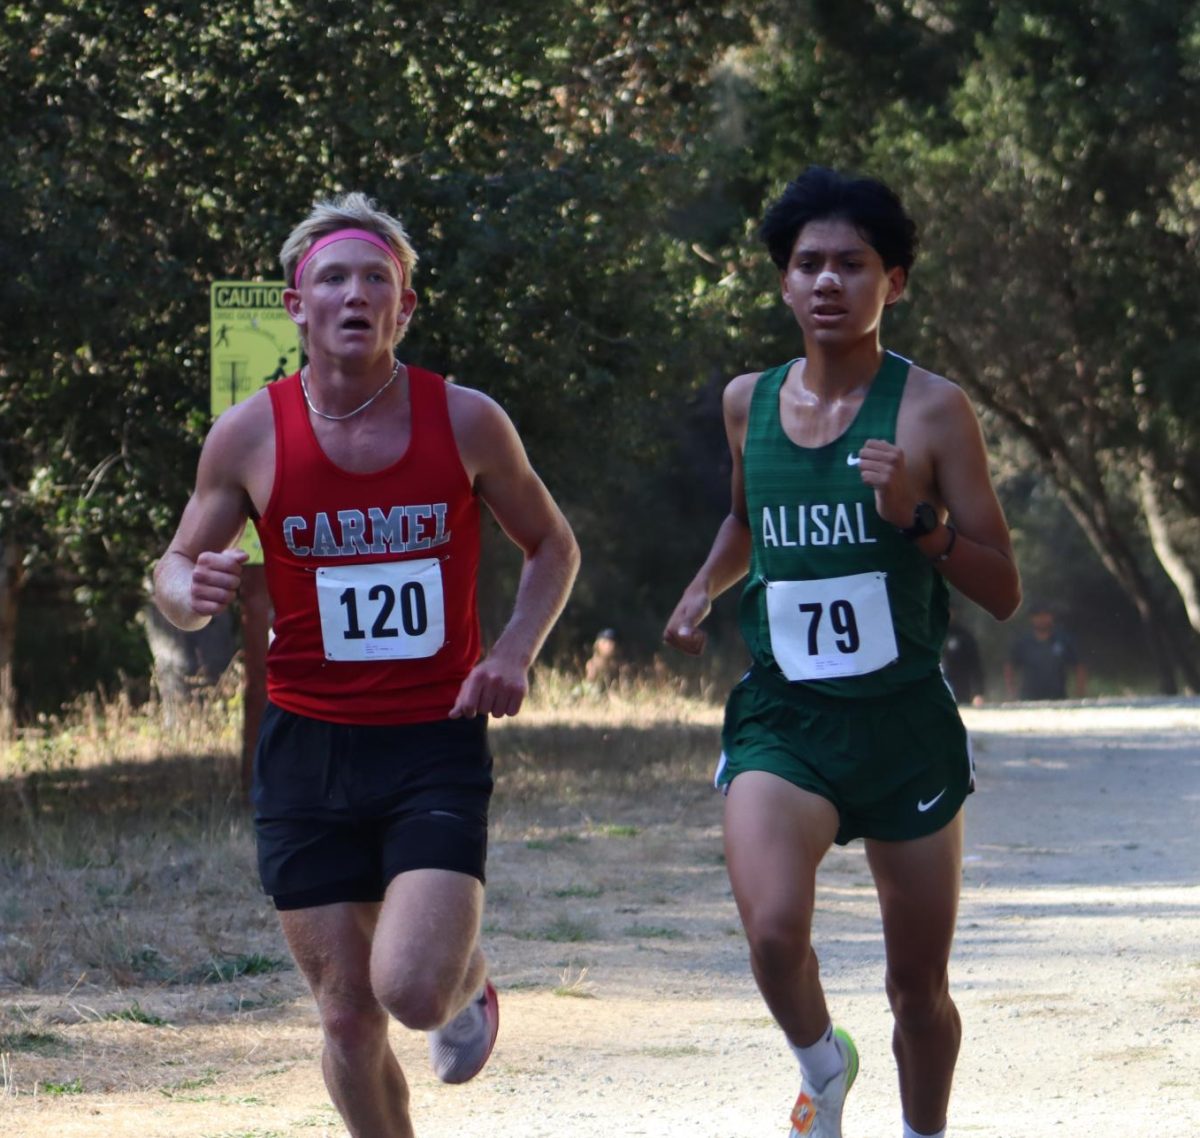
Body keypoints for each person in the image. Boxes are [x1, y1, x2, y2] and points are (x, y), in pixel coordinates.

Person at [153, 192, 580, 1138]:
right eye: (332, 280)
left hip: (432, 740)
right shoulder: (249, 434)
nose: (354, 295)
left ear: (405, 307)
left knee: (413, 993)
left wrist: (512, 651)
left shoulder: (466, 421)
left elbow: (553, 544)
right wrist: (196, 588)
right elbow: (172, 570)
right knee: (348, 1014)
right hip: (305, 747)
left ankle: (467, 983)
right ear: (295, 306)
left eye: (376, 280)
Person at [663, 166, 1020, 1138]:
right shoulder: (748, 402)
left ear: (892, 282)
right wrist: (705, 584)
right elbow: (747, 519)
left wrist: (917, 517)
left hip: (903, 720)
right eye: (808, 264)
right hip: (788, 717)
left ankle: (921, 1130)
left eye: (852, 265)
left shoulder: (933, 412)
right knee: (775, 935)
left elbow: (1000, 585)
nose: (828, 282)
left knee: (918, 988)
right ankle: (823, 1062)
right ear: (782, 283)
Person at [1004, 601, 1086, 701]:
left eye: (1045, 615)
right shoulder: (1022, 642)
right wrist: (1011, 692)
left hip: (1058, 698)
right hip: (1028, 699)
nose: (1042, 619)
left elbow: (1078, 666)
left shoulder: (1064, 640)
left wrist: (1080, 693)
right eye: (1038, 616)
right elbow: (1010, 667)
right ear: (1032, 618)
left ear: (1052, 617)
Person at [941, 610, 985, 706]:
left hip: (961, 689)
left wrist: (978, 692)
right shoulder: (930, 635)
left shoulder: (964, 637)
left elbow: (975, 665)